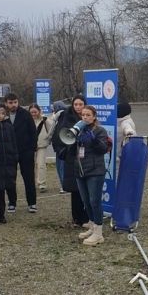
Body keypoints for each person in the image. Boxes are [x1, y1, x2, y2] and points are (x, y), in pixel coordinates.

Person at [65, 105, 112, 246]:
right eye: (83, 115)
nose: (85, 117)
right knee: (86, 201)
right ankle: (92, 226)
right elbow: (73, 150)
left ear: (94, 116)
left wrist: (93, 140)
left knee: (94, 201)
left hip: (95, 171)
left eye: (88, 115)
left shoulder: (100, 130)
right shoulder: (79, 130)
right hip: (80, 170)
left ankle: (98, 233)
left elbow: (103, 149)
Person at [54, 96, 89, 225]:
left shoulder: (89, 117)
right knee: (76, 190)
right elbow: (59, 137)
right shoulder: (66, 117)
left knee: (86, 189)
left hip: (86, 158)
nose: (78, 107)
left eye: (81, 104)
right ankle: (77, 217)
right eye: (76, 104)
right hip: (72, 157)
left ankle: (87, 216)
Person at [6, 93, 38, 213]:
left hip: (25, 152)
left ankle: (32, 203)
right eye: (10, 102)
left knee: (29, 178)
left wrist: (32, 149)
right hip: (9, 152)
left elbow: (33, 133)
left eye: (15, 102)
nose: (13, 105)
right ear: (6, 103)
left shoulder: (25, 115)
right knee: (10, 178)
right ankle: (12, 203)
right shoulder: (2, 115)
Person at [31, 104, 54, 193]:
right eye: (31, 112)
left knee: (41, 165)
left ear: (39, 111)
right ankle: (31, 183)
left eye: (35, 112)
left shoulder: (45, 120)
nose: (33, 114)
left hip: (42, 145)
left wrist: (47, 139)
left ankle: (42, 184)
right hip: (29, 146)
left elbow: (51, 129)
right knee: (30, 166)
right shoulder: (27, 120)